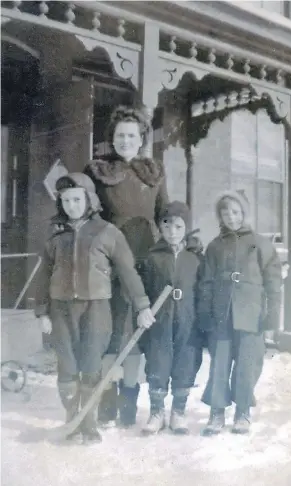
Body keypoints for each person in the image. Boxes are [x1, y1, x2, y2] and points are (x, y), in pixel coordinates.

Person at [34, 173, 155, 444]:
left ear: (89, 199)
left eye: (77, 199)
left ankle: (87, 425)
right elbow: (43, 274)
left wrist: (143, 305)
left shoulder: (108, 232)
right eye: (65, 200)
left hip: (96, 310)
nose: (71, 205)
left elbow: (128, 272)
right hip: (61, 310)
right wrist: (42, 312)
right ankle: (71, 420)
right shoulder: (55, 234)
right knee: (67, 367)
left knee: (90, 365)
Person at [84, 105, 169, 428]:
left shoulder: (153, 172)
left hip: (144, 266)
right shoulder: (99, 171)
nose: (125, 141)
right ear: (112, 138)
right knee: (109, 334)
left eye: (132, 135)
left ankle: (129, 399)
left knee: (135, 334)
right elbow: (87, 216)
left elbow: (165, 214)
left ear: (142, 138)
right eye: (120, 135)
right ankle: (107, 400)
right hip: (108, 266)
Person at [198, 190, 282, 435]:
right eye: (225, 213)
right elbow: (206, 283)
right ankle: (216, 411)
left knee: (248, 364)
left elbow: (274, 282)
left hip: (251, 314)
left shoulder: (260, 243)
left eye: (235, 212)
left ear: (244, 213)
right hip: (221, 316)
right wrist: (205, 313)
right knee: (219, 364)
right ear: (220, 217)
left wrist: (272, 314)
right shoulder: (214, 246)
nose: (231, 217)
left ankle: (243, 409)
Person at [140, 201, 203, 435]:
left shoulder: (195, 258)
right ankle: (157, 412)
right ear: (160, 229)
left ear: (186, 228)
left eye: (178, 227)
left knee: (185, 362)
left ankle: (178, 411)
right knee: (158, 361)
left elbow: (203, 290)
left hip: (188, 319)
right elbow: (142, 288)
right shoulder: (152, 257)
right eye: (166, 227)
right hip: (161, 321)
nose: (172, 232)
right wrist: (143, 310)